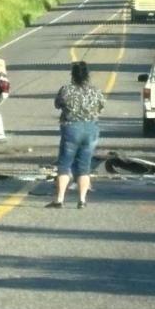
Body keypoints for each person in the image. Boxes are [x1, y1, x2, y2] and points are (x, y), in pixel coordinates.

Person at [48, 61, 106, 209]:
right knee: (84, 166)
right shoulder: (95, 91)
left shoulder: (66, 90)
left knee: (64, 165)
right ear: (87, 75)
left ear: (72, 75)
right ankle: (82, 200)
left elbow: (57, 104)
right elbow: (101, 107)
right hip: (90, 129)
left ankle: (60, 199)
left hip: (71, 128)